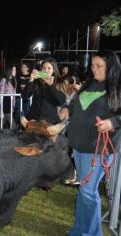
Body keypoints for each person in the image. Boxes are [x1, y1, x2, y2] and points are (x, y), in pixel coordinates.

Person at [59, 50, 121, 236]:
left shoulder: (117, 86)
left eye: (99, 66)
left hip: (98, 149)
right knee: (84, 192)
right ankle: (79, 231)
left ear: (111, 67)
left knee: (87, 192)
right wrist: (67, 109)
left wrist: (113, 122)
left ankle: (91, 234)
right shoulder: (90, 83)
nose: (94, 69)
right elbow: (76, 103)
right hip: (78, 146)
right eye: (93, 65)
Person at [22, 57, 66, 124]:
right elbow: (24, 96)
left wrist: (51, 86)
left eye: (49, 68)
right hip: (33, 120)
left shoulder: (59, 82)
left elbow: (61, 101)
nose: (46, 70)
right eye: (43, 68)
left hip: (49, 122)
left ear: (53, 70)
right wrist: (31, 80)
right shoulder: (37, 81)